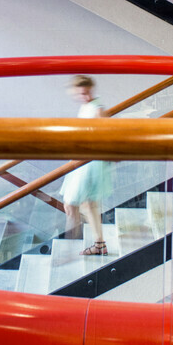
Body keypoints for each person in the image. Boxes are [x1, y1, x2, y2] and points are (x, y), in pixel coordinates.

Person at [60, 75, 113, 256]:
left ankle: (70, 249)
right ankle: (98, 244)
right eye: (81, 93)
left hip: (91, 162)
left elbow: (105, 134)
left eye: (87, 92)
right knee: (85, 204)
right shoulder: (87, 107)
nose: (85, 96)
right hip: (85, 160)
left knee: (74, 204)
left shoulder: (96, 108)